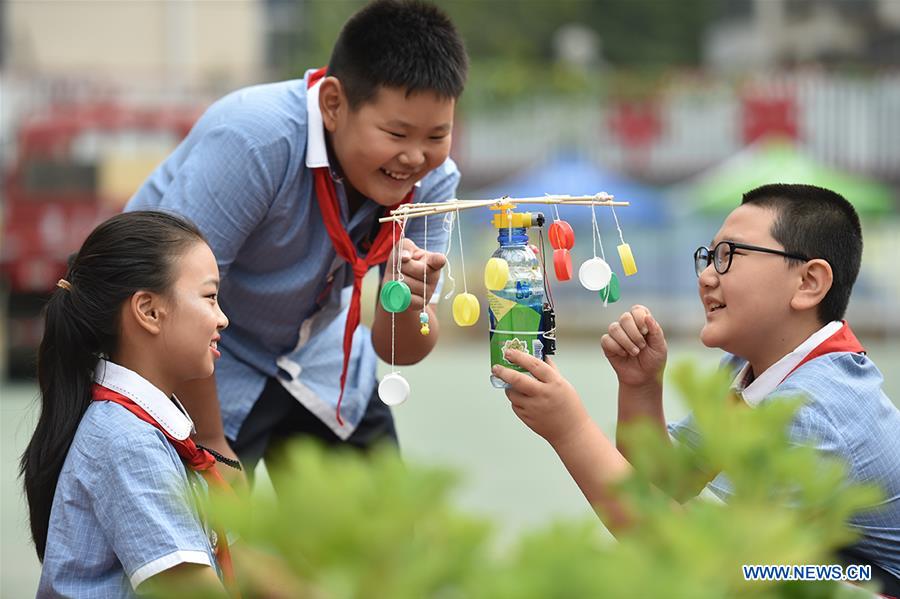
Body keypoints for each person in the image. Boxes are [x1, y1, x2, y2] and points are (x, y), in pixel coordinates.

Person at [492, 184, 900, 592]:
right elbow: (665, 485)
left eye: (729, 257)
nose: (705, 277)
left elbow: (698, 555)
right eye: (708, 257)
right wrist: (641, 388)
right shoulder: (753, 369)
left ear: (809, 282)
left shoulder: (814, 411)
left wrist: (571, 431)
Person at [126, 0, 468, 476]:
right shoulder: (256, 141)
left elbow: (401, 351)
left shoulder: (433, 182)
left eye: (436, 136)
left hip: (319, 352)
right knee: (209, 533)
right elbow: (171, 298)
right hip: (197, 351)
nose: (414, 158)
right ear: (333, 104)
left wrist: (409, 302)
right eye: (396, 133)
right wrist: (208, 440)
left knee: (380, 535)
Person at [21, 211, 236, 597]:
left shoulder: (144, 426)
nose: (222, 319)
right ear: (149, 311)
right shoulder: (127, 442)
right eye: (210, 297)